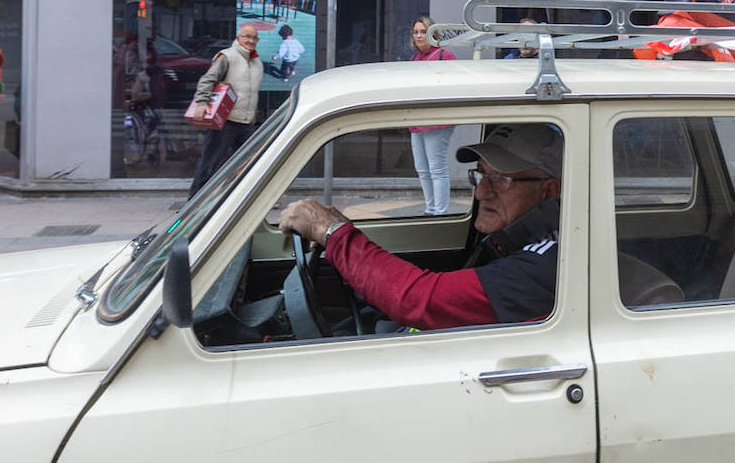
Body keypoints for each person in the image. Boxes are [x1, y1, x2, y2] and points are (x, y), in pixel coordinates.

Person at [279, 123, 562, 332]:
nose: (481, 193)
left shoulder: (547, 262)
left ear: (550, 189)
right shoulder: (513, 240)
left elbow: (417, 300)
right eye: (481, 175)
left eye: (501, 179)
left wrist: (330, 231)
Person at [188, 24, 264, 196]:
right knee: (210, 163)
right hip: (225, 121)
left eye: (254, 38)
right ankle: (193, 204)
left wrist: (252, 114)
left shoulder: (257, 62)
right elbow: (207, 80)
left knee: (251, 163)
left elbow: (252, 91)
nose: (251, 41)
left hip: (246, 123)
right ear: (238, 37)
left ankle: (244, 201)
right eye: (247, 36)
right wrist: (202, 102)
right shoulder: (227, 57)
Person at [408, 16, 456, 215]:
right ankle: (430, 209)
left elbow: (455, 87)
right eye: (416, 32)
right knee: (422, 168)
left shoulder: (445, 55)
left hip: (438, 121)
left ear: (433, 33)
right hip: (417, 121)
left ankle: (440, 212)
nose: (419, 36)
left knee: (437, 169)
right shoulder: (413, 59)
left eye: (423, 31)